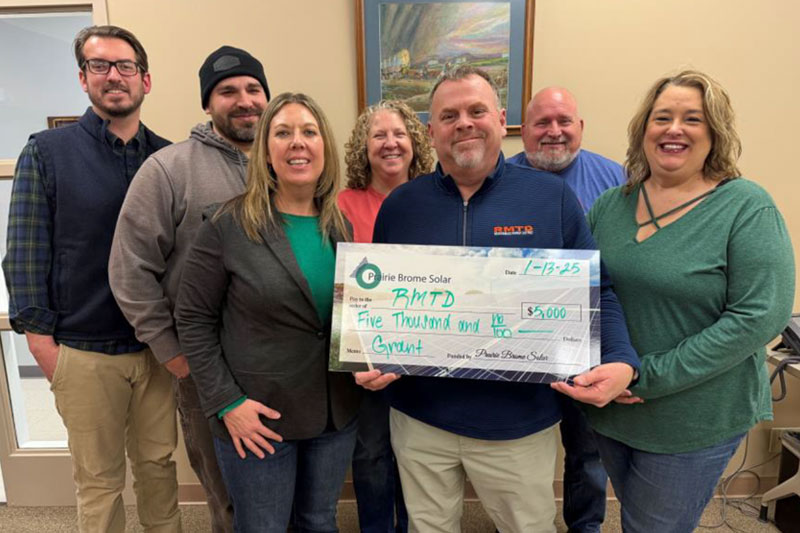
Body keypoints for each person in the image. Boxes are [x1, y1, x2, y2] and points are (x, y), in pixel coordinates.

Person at [355, 66, 640, 533]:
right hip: (419, 420)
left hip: (519, 424)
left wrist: (623, 359)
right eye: (449, 115)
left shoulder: (551, 198)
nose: (464, 123)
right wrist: (367, 352)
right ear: (432, 131)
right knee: (428, 527)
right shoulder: (401, 206)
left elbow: (598, 290)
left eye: (476, 110)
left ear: (502, 120)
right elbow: (381, 302)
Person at [579, 70, 795, 532]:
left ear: (715, 133)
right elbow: (582, 291)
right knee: (635, 516)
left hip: (694, 416)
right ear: (643, 129)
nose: (674, 129)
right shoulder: (611, 205)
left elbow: (760, 316)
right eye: (662, 117)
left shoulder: (745, 207)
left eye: (692, 119)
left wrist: (646, 375)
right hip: (613, 407)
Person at [1, 25, 178, 532]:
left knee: (159, 469)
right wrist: (42, 345)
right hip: (82, 351)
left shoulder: (167, 158)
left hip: (155, 351)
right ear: (83, 78)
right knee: (99, 483)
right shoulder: (47, 152)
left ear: (145, 80)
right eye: (99, 66)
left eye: (125, 66)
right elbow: (25, 254)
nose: (113, 76)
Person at [174, 92, 361, 532]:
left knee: (319, 521)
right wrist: (226, 402)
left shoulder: (339, 226)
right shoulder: (227, 225)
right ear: (265, 151)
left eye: (309, 132)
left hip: (334, 414)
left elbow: (345, 318)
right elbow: (193, 320)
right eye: (283, 133)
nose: (298, 142)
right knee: (263, 526)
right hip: (257, 417)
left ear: (324, 147)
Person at [109, 45, 270, 533]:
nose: (244, 100)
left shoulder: (290, 161)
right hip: (207, 368)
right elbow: (129, 269)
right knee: (231, 501)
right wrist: (173, 354)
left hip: (285, 365)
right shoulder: (168, 169)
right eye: (227, 91)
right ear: (207, 103)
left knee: (284, 497)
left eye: (254, 88)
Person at [508, 86, 625, 532]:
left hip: (585, 344)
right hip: (514, 342)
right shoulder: (499, 178)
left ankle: (585, 525)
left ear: (581, 127)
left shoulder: (616, 181)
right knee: (516, 451)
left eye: (564, 121)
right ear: (524, 130)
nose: (553, 131)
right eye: (542, 122)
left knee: (587, 450)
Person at [340, 100, 433, 532]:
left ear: (416, 143)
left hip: (427, 353)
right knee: (372, 453)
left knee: (422, 458)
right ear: (364, 147)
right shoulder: (342, 205)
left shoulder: (438, 200)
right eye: (379, 135)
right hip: (369, 359)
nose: (390, 143)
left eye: (399, 134)